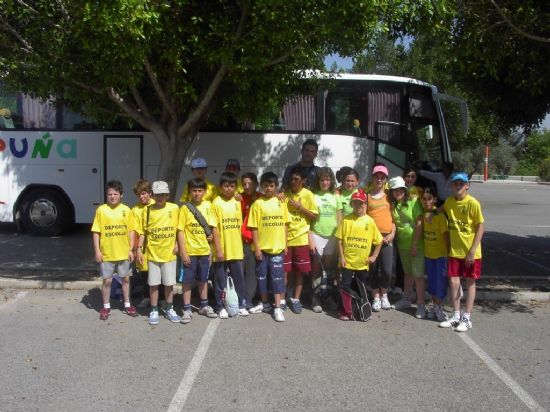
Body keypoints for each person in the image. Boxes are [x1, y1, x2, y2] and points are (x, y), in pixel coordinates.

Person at [439, 172, 484, 332]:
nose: (458, 186)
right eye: (455, 184)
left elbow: (480, 227)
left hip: (471, 252)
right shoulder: (450, 202)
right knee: (453, 282)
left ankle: (467, 317)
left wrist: (472, 251)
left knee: (470, 282)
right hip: (454, 251)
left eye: (461, 184)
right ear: (451, 186)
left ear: (467, 186)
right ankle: (456, 315)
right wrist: (430, 214)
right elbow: (440, 210)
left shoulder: (473, 203)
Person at [136, 181, 181, 325]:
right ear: (152, 195)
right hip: (153, 254)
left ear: (167, 195)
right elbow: (143, 232)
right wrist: (138, 249)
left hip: (169, 254)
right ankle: (154, 309)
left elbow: (179, 229)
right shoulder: (147, 210)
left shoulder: (174, 208)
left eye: (163, 194)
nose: (160, 197)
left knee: (169, 284)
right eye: (157, 195)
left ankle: (170, 307)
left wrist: (177, 244)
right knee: (153, 284)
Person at [92, 180, 137, 320]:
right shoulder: (101, 210)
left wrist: (131, 249)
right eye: (110, 194)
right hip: (107, 253)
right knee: (107, 281)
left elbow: (131, 231)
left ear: (121, 195)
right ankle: (106, 307)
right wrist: (97, 251)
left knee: (126, 280)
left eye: (115, 194)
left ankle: (128, 304)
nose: (112, 196)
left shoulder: (127, 210)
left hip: (123, 253)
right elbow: (96, 232)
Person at [247, 172, 289, 322]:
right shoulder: (257, 204)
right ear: (261, 186)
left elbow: (285, 224)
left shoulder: (281, 202)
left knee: (277, 278)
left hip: (277, 248)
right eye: (265, 186)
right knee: (262, 277)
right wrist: (257, 248)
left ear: (276, 186)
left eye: (271, 186)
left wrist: (286, 243)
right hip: (262, 249)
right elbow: (254, 228)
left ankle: (277, 307)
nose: (269, 188)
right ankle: (264, 303)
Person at [335, 191, 383, 321]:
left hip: (362, 263)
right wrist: (341, 257)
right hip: (348, 262)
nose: (358, 206)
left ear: (365, 204)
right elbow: (339, 240)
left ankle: (361, 309)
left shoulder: (370, 221)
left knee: (362, 287)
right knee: (345, 286)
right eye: (355, 203)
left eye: (360, 203)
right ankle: (344, 311)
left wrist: (374, 256)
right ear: (351, 204)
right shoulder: (346, 219)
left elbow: (379, 241)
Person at [176, 178, 218, 323]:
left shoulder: (209, 206)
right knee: (187, 281)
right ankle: (187, 309)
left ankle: (204, 306)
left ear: (205, 192)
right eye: (194, 190)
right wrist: (183, 252)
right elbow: (180, 231)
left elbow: (212, 228)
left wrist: (211, 247)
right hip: (190, 251)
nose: (197, 193)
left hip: (204, 251)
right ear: (189, 192)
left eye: (200, 191)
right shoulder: (185, 208)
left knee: (203, 279)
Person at [211, 172, 248, 318]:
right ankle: (220, 306)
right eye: (226, 186)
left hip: (236, 248)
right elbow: (214, 228)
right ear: (220, 187)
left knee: (239, 278)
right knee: (220, 280)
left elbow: (241, 225)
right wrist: (219, 249)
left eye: (232, 186)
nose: (229, 189)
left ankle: (241, 304)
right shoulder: (216, 203)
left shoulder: (238, 202)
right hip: (221, 250)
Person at [389, 176, 426, 318]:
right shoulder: (394, 205)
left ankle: (421, 304)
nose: (397, 192)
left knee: (418, 276)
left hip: (416, 245)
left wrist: (415, 244)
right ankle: (406, 299)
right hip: (403, 244)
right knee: (408, 273)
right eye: (394, 190)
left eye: (400, 189)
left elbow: (419, 224)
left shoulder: (414, 202)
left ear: (404, 190)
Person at [284, 166, 319, 314]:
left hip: (301, 239)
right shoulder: (284, 194)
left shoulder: (308, 195)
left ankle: (296, 300)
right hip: (285, 239)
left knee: (299, 272)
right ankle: (285, 297)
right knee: (286, 272)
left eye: (296, 179)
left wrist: (300, 207)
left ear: (303, 180)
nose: (293, 182)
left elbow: (314, 216)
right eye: (291, 179)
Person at [413, 186, 449, 322]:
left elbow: (446, 238)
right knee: (433, 284)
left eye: (429, 199)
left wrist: (448, 255)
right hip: (429, 256)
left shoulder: (439, 217)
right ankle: (435, 306)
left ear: (434, 200)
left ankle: (439, 308)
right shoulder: (424, 216)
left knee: (440, 284)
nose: (427, 202)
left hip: (440, 256)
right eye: (424, 199)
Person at [366, 164, 395, 311]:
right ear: (373, 177)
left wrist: (392, 234)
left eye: (382, 177)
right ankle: (375, 296)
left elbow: (394, 219)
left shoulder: (390, 196)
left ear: (385, 179)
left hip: (386, 238)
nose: (379, 179)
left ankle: (384, 294)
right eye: (377, 176)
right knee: (373, 268)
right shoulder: (368, 196)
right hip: (371, 238)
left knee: (387, 269)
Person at [310, 167, 339, 313]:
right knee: (316, 268)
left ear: (331, 181)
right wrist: (310, 239)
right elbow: (308, 221)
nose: (325, 182)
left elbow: (339, 219)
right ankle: (315, 298)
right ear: (318, 181)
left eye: (327, 179)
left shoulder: (336, 196)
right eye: (322, 180)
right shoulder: (313, 197)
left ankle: (326, 296)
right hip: (317, 235)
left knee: (327, 270)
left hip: (332, 237)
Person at [131, 179, 154, 301]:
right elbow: (134, 231)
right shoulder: (135, 209)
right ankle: (146, 297)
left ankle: (160, 298)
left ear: (150, 193)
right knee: (144, 272)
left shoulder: (157, 205)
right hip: (142, 246)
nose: (141, 197)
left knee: (157, 272)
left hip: (157, 245)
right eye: (139, 194)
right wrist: (135, 249)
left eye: (144, 193)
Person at [240, 172, 260, 309]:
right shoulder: (238, 198)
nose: (247, 186)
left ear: (256, 184)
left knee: (252, 271)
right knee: (240, 271)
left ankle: (249, 298)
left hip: (257, 241)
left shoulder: (261, 198)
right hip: (241, 240)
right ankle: (240, 297)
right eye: (244, 184)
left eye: (250, 184)